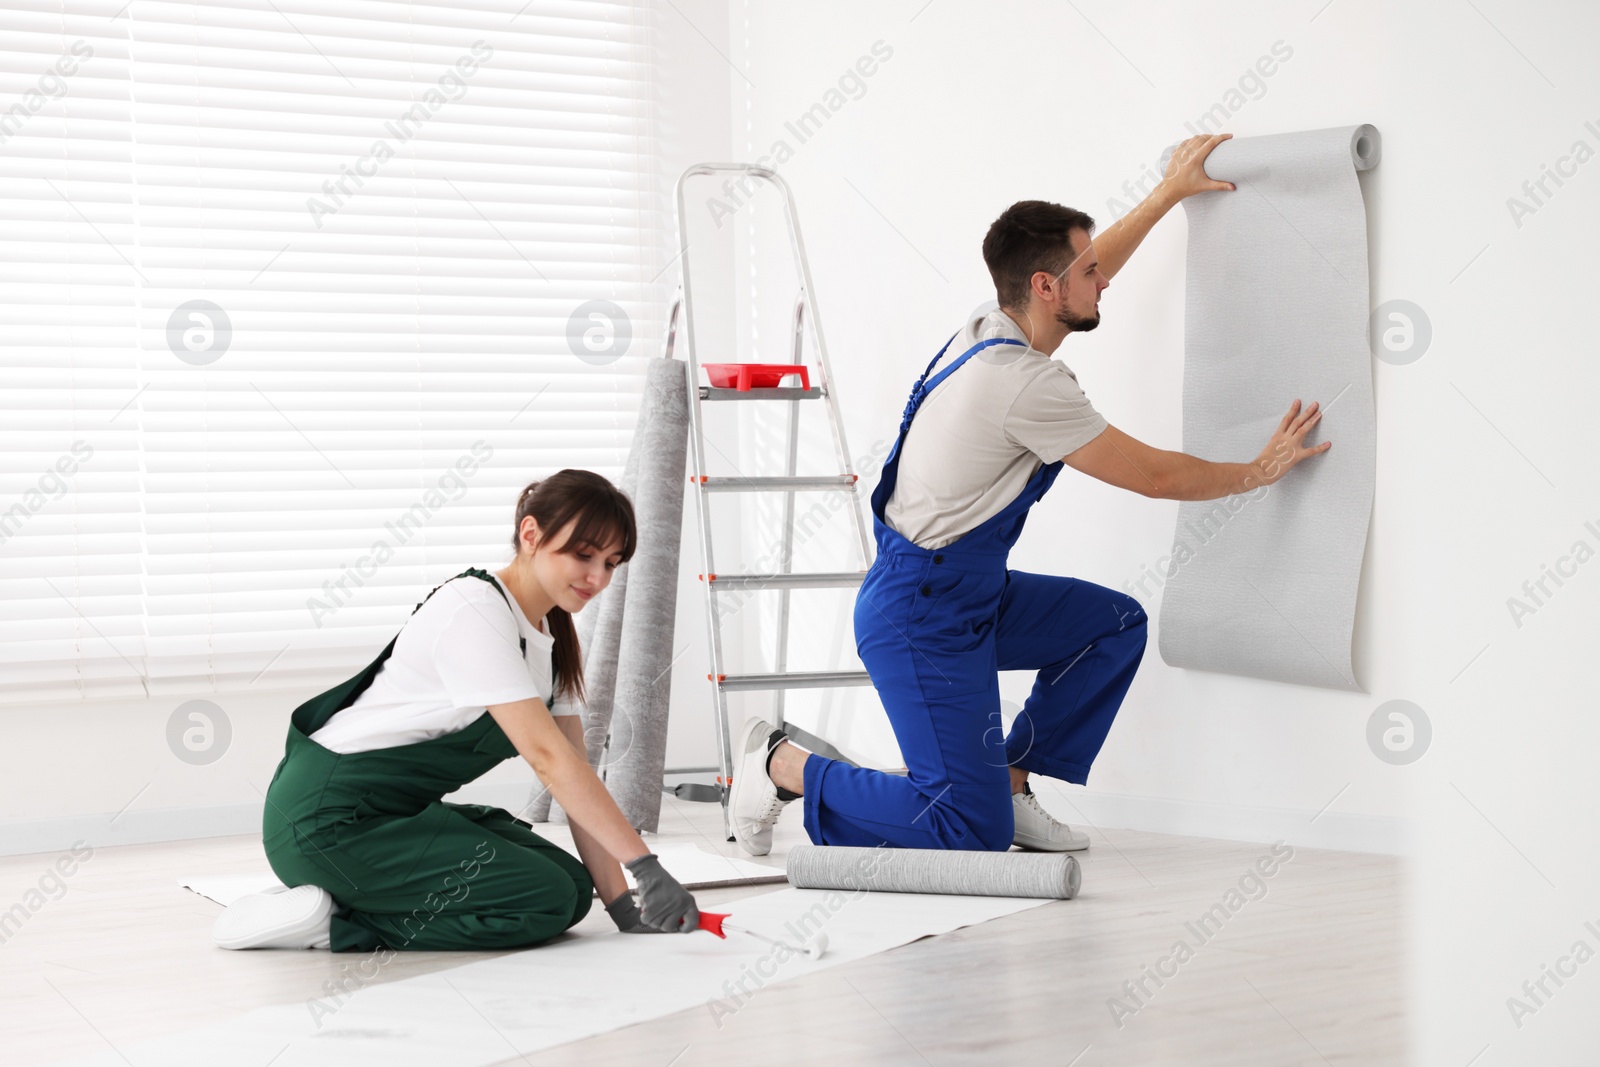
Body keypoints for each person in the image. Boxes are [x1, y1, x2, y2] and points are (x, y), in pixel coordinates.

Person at [726, 134, 1332, 856]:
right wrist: (1259, 470)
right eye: (1091, 273)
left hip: (968, 591)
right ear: (1047, 287)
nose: (1104, 280)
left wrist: (1168, 192)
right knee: (961, 827)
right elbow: (1157, 477)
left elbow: (1079, 260)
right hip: (920, 614)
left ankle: (1008, 785)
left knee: (1111, 625)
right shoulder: (1024, 384)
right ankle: (781, 765)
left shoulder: (994, 321)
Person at [212, 469, 701, 951]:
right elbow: (548, 759)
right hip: (325, 823)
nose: (599, 577)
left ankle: (350, 895)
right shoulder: (476, 609)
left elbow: (575, 776)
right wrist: (645, 865)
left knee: (572, 889)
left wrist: (625, 909)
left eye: (613, 563)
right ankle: (334, 922)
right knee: (544, 900)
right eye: (584, 555)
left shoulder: (553, 643)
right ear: (531, 534)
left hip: (393, 816)